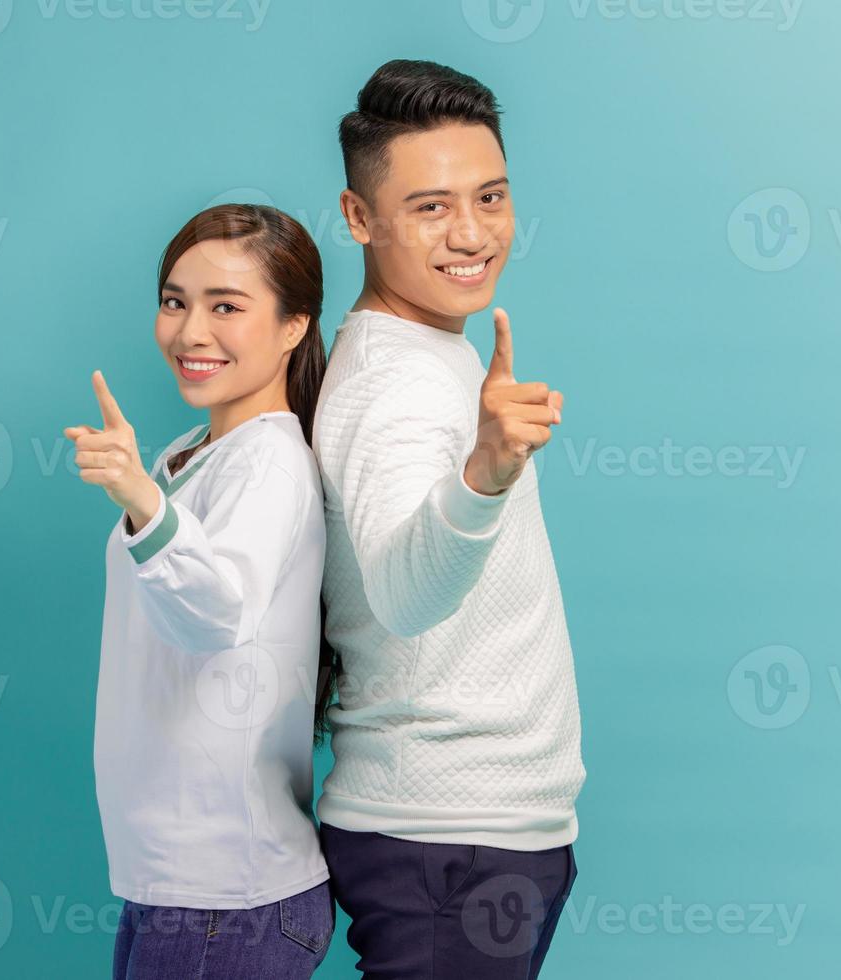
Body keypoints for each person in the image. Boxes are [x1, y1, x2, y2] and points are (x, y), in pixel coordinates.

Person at [312, 59, 586, 978]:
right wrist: (484, 471)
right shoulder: (391, 385)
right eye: (430, 207)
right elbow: (404, 590)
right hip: (446, 839)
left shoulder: (430, 354)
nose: (471, 233)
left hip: (469, 835)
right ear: (358, 219)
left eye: (491, 196)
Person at [65, 204, 335, 980]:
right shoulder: (192, 452)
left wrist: (138, 499)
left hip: (226, 895)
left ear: (292, 327)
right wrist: (146, 490)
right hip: (179, 882)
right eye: (175, 301)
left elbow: (217, 611)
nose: (189, 332)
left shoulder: (271, 461)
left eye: (225, 306)